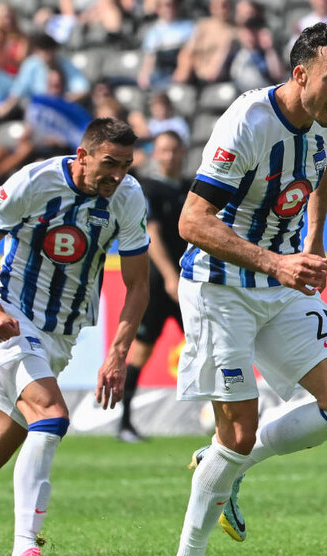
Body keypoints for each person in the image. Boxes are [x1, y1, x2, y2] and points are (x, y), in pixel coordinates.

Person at [166, 22, 327, 556]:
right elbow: (192, 222)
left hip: (280, 281)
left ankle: (227, 464)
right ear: (299, 73)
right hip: (221, 287)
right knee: (238, 428)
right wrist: (277, 263)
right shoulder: (249, 121)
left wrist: (314, 239)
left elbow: (324, 166)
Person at [0, 118, 150, 556]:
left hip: (61, 336)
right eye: (108, 164)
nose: (117, 176)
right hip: (11, 321)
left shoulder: (128, 196)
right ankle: (25, 550)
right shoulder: (34, 181)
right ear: (82, 156)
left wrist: (118, 352)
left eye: (125, 166)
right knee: (51, 416)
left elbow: (138, 285)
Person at [118, 130, 189, 442]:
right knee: (142, 350)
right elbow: (152, 235)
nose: (169, 156)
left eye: (174, 150)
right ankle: (124, 422)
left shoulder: (191, 188)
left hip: (191, 282)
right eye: (164, 150)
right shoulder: (150, 189)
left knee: (209, 348)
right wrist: (170, 276)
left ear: (183, 152)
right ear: (156, 154)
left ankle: (221, 421)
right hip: (161, 284)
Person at [172, 0, 237, 86]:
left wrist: (213, 72)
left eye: (224, 6)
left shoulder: (235, 31)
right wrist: (183, 71)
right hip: (195, 77)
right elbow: (188, 51)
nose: (221, 10)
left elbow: (223, 56)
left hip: (219, 79)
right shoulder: (203, 26)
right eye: (217, 6)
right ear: (212, 8)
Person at [137, 0, 194, 91]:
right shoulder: (153, 32)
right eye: (166, 6)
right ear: (158, 9)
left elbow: (189, 53)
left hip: (181, 70)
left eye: (172, 5)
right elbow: (149, 58)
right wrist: (144, 75)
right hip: (161, 72)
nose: (169, 9)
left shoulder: (189, 27)